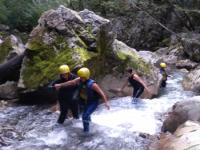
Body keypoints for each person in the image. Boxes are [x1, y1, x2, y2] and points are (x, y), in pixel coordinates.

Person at [54, 67, 110, 132]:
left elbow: (102, 93)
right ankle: (90, 125)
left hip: (92, 103)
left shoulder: (93, 85)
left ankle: (86, 132)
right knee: (86, 115)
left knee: (84, 116)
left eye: (82, 77)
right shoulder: (79, 79)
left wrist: (106, 103)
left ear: (86, 76)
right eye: (80, 77)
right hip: (84, 102)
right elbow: (70, 82)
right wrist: (60, 85)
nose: (81, 79)